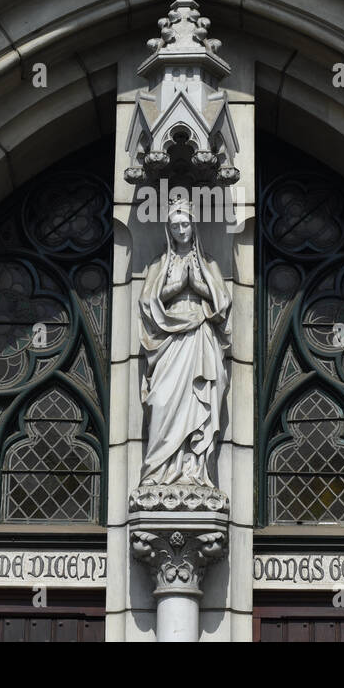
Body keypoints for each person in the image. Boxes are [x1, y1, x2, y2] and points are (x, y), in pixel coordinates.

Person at [137, 200, 231, 487]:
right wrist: (177, 287)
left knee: (197, 399)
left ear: (193, 225)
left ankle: (194, 469)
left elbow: (223, 301)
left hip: (199, 334)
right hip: (169, 335)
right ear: (168, 228)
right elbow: (146, 301)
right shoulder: (160, 263)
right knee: (162, 400)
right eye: (175, 226)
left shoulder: (208, 262)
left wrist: (197, 285)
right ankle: (159, 471)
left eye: (185, 224)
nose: (181, 230)